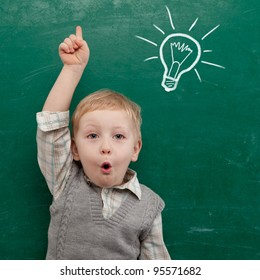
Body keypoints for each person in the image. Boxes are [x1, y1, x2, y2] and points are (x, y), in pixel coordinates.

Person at [36, 26, 170, 260]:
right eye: (93, 136)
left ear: (135, 148)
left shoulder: (149, 206)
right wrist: (73, 69)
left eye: (118, 136)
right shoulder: (64, 182)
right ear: (75, 150)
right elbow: (51, 127)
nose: (105, 147)